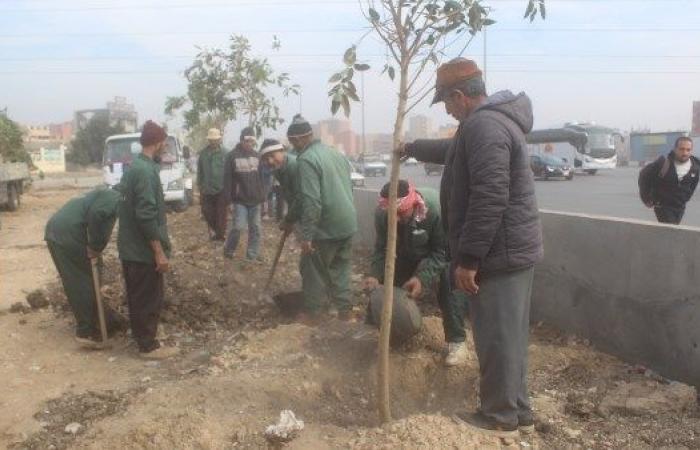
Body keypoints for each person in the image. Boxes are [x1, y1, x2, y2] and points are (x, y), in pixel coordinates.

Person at [401, 58, 543, 437]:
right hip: (509, 251)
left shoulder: (484, 127)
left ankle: (499, 418)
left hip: (499, 254)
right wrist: (412, 147)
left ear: (460, 96)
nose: (446, 110)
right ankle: (519, 413)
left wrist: (468, 259)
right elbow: (452, 152)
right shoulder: (483, 125)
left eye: (446, 103)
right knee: (509, 337)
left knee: (496, 338)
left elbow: (490, 197)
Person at [364, 180, 468, 366]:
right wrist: (374, 274)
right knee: (389, 285)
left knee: (448, 284)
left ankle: (456, 341)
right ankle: (378, 329)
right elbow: (382, 248)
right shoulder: (382, 215)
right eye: (391, 214)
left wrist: (422, 277)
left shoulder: (435, 210)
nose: (395, 219)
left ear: (413, 204)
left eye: (401, 213)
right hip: (406, 250)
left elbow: (442, 251)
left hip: (441, 250)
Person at [287, 115, 358, 322]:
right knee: (341, 269)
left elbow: (311, 200)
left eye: (292, 142)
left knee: (313, 269)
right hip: (347, 222)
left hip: (326, 226)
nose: (293, 147)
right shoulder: (335, 154)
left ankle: (313, 313)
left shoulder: (306, 160)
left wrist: (307, 236)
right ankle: (345, 312)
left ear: (299, 139)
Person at [118, 120, 179, 359]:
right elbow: (145, 215)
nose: (165, 147)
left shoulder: (136, 168)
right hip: (142, 251)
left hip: (131, 248)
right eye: (164, 142)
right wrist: (159, 252)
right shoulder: (144, 172)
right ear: (158, 143)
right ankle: (147, 346)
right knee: (148, 298)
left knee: (138, 297)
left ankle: (142, 339)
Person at [44, 187, 127, 348]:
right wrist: (96, 246)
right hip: (68, 233)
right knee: (82, 280)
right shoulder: (116, 198)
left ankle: (96, 320)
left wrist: (96, 248)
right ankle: (87, 331)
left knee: (78, 277)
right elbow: (98, 215)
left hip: (57, 230)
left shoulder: (103, 193)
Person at [223, 127, 267, 261]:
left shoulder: (257, 156)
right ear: (242, 140)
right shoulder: (232, 156)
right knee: (238, 227)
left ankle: (251, 256)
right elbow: (227, 180)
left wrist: (264, 199)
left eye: (252, 141)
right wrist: (229, 201)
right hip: (239, 200)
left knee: (256, 229)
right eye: (247, 141)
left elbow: (262, 179)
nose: (250, 144)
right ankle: (229, 250)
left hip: (255, 200)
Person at [639, 136, 698, 225]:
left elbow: (693, 186)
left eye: (688, 150)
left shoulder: (695, 167)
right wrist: (646, 198)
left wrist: (685, 198)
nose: (685, 153)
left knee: (671, 232)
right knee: (671, 231)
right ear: (675, 149)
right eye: (681, 149)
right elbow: (643, 176)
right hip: (662, 206)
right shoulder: (663, 163)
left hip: (680, 207)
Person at [259, 138, 301, 231]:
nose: (270, 161)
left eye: (272, 156)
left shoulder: (294, 166)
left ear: (282, 151)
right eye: (266, 159)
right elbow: (290, 197)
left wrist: (289, 220)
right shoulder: (277, 169)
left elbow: (299, 198)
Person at [197, 129, 228, 240]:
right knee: (206, 212)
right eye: (211, 140)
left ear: (219, 140)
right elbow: (200, 170)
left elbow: (229, 171)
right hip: (207, 189)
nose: (213, 142)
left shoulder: (225, 153)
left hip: (221, 189)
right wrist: (200, 185)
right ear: (209, 140)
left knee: (221, 214)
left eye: (215, 140)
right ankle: (218, 231)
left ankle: (220, 235)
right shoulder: (203, 154)